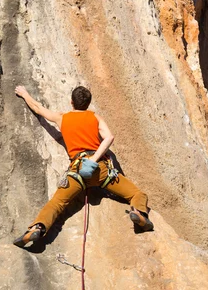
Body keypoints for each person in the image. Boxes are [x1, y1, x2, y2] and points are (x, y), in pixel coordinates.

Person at [13, 84, 153, 247]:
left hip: (77, 170)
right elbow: (109, 137)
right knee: (136, 194)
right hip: (100, 171)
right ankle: (139, 212)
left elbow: (38, 108)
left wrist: (24, 94)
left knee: (57, 203)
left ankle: (37, 227)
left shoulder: (62, 118)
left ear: (71, 102)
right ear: (88, 103)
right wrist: (94, 159)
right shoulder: (95, 118)